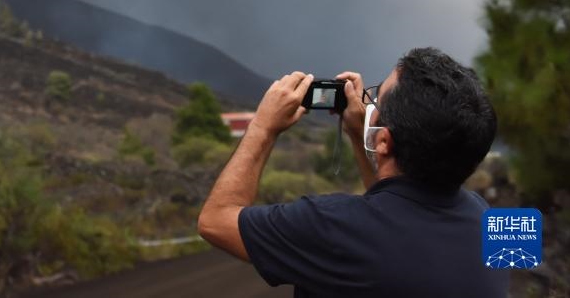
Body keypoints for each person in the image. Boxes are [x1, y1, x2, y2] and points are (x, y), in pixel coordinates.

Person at [197, 47, 507, 297]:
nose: (368, 102)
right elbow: (393, 209)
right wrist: (362, 135)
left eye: (375, 98)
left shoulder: (332, 226)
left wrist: (263, 127)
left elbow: (215, 221)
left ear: (385, 141)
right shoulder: (489, 221)